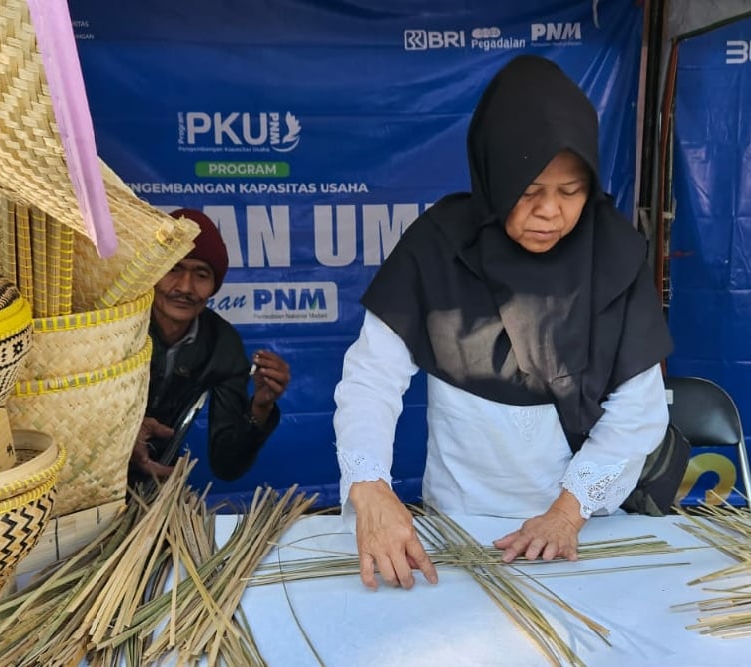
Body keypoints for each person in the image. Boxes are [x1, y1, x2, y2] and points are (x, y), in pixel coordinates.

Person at [333, 54, 674, 591]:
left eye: (570, 191)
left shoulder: (614, 256)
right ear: (494, 175)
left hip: (581, 533)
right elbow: (371, 380)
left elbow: (638, 411)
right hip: (458, 527)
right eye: (530, 190)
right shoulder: (438, 247)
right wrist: (370, 486)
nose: (551, 213)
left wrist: (567, 513)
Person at [130, 208, 291, 482]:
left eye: (201, 274)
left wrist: (259, 409)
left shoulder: (223, 345)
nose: (185, 287)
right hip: (85, 477)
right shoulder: (117, 326)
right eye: (173, 269)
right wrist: (125, 436)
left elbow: (226, 465)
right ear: (152, 273)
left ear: (214, 285)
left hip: (154, 485)